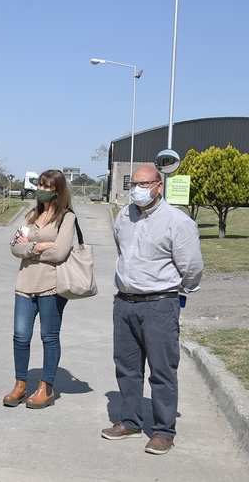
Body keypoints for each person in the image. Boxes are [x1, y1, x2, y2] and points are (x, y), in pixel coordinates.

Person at [101, 164, 203, 455]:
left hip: (159, 305)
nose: (138, 190)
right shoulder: (124, 216)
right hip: (124, 303)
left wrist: (179, 292)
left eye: (144, 184)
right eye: (134, 184)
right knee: (127, 368)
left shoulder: (177, 222)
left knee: (162, 371)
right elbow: (123, 251)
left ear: (159, 185)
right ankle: (131, 420)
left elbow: (192, 267)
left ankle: (163, 431)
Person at [5, 169, 76, 409]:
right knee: (20, 336)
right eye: (40, 186)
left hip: (51, 286)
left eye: (47, 187)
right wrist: (40, 246)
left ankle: (46, 387)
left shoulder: (67, 218)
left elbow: (61, 252)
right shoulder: (30, 215)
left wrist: (31, 248)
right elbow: (14, 247)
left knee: (49, 337)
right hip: (25, 285)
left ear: (58, 190)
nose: (42, 191)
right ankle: (20, 384)